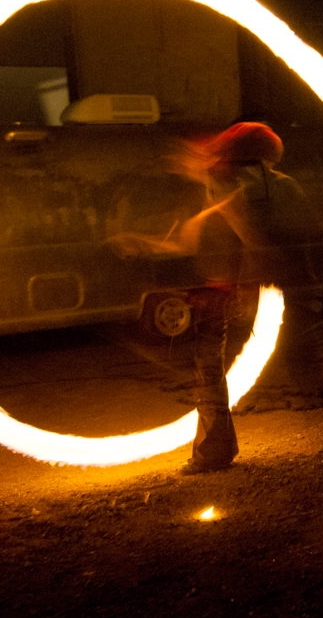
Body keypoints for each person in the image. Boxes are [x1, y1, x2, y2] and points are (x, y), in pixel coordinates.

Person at [108, 122, 302, 474]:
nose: (180, 162)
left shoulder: (228, 193)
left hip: (222, 297)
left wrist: (257, 289)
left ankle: (213, 454)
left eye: (188, 155)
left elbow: (252, 240)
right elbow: (185, 244)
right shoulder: (212, 198)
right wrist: (138, 242)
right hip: (213, 296)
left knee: (209, 376)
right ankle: (214, 450)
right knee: (207, 375)